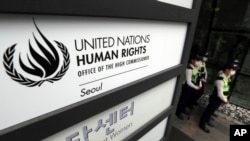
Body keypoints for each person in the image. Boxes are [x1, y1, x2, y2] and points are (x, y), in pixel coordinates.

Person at [199, 63, 237, 133]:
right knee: (208, 112)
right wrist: (225, 100)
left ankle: (207, 120)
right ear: (226, 69)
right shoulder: (220, 79)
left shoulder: (227, 77)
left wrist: (225, 98)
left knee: (211, 111)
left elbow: (225, 89)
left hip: (219, 99)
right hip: (216, 99)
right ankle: (202, 124)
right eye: (232, 69)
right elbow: (220, 94)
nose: (233, 71)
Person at [176, 55, 202, 120]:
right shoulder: (189, 68)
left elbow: (198, 77)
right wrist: (196, 87)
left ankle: (183, 109)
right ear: (192, 60)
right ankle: (178, 112)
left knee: (187, 99)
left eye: (198, 60)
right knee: (183, 99)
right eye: (196, 60)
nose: (198, 62)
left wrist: (200, 84)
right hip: (187, 87)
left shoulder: (195, 68)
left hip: (193, 87)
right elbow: (188, 82)